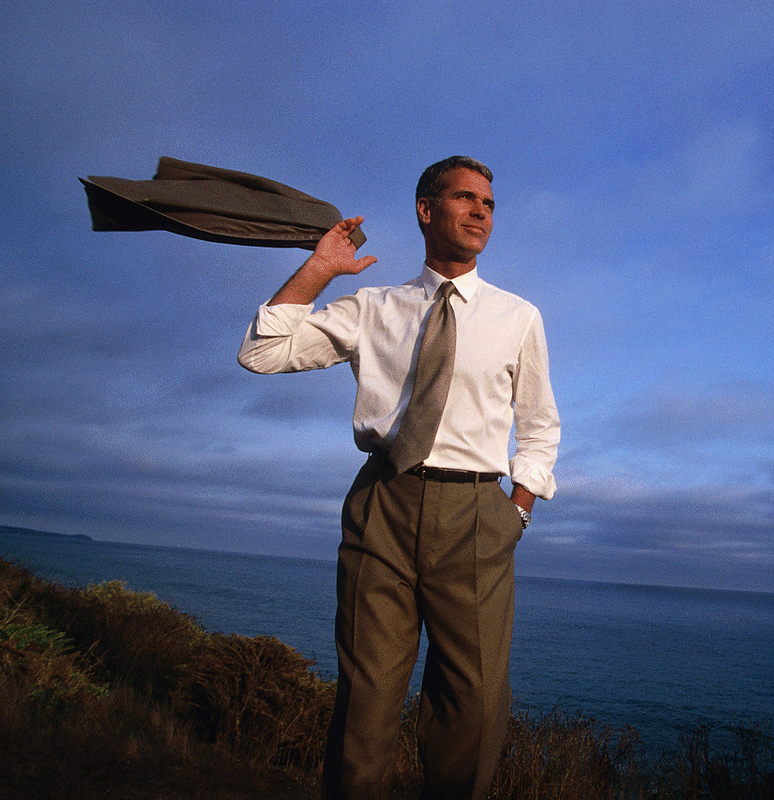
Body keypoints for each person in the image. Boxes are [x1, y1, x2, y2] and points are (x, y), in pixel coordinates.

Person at [237, 156, 559, 800]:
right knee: (366, 701)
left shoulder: (517, 316)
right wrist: (320, 268)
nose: (480, 212)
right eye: (465, 198)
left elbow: (541, 425)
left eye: (489, 204)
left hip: (474, 515)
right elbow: (262, 352)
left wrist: (515, 510)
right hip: (381, 504)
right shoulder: (373, 307)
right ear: (426, 209)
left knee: (474, 703)